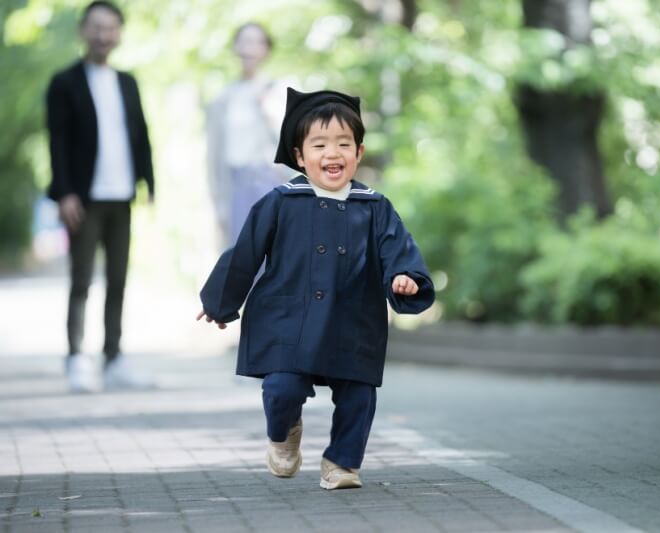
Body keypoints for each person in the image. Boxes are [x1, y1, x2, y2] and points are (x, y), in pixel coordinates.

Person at [197, 88, 434, 489]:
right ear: (300, 155)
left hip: (353, 318)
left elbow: (399, 248)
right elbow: (246, 252)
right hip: (288, 318)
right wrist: (219, 301)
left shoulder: (374, 206)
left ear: (358, 153)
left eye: (344, 144)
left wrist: (404, 276)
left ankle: (342, 462)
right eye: (320, 144)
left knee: (359, 395)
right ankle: (283, 433)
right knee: (281, 388)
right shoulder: (281, 202)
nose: (332, 153)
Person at [46, 1, 155, 392]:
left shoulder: (127, 81)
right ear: (83, 31)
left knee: (118, 278)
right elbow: (57, 142)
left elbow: (141, 134)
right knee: (81, 279)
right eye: (96, 27)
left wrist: (149, 182)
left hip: (121, 193)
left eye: (110, 28)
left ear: (119, 33)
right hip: (84, 198)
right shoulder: (65, 83)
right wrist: (65, 193)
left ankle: (114, 358)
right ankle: (76, 356)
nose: (103, 35)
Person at [206, 22, 291, 247]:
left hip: (270, 183)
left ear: (267, 50)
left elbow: (295, 142)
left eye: (256, 42)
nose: (249, 49)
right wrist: (217, 203)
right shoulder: (224, 98)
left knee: (274, 259)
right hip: (234, 187)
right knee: (240, 260)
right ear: (235, 47)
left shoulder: (278, 90)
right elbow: (214, 155)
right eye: (244, 42)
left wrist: (270, 110)